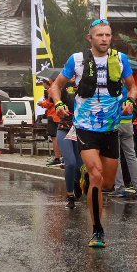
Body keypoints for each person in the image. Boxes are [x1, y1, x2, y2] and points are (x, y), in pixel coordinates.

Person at [51, 18, 136, 248]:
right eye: (100, 35)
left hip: (111, 128)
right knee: (97, 175)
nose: (105, 39)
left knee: (106, 183)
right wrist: (58, 105)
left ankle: (86, 178)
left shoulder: (120, 59)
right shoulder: (76, 60)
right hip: (85, 127)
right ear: (90, 38)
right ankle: (97, 230)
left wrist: (130, 101)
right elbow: (55, 86)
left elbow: (132, 86)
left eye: (108, 35)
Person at [112, 85, 137, 198]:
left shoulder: (110, 86)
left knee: (117, 157)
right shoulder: (127, 86)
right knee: (131, 155)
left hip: (114, 122)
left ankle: (120, 189)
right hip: (128, 122)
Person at [55, 79, 83, 209]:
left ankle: (76, 181)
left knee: (79, 166)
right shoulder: (64, 86)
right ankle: (70, 195)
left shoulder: (86, 84)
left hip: (82, 130)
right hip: (64, 128)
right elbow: (53, 97)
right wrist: (59, 105)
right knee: (70, 163)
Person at [38, 78, 63, 166]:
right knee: (62, 136)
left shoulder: (51, 89)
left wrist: (42, 103)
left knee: (54, 137)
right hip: (61, 116)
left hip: (53, 115)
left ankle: (57, 157)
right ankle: (62, 156)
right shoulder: (61, 88)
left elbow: (49, 103)